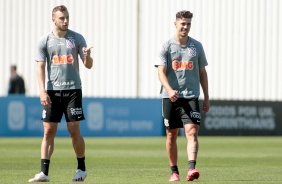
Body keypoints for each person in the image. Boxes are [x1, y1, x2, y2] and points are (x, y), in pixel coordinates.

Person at [28, 5, 93, 182]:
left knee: (74, 130)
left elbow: (88, 65)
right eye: (62, 18)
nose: (65, 21)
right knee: (48, 131)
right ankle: (44, 173)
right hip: (52, 92)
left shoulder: (76, 38)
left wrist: (87, 56)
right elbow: (40, 67)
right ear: (53, 19)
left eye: (67, 18)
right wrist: (42, 91)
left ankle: (81, 169)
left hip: (73, 90)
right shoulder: (45, 40)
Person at [155, 10, 210, 182]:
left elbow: (202, 73)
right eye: (183, 24)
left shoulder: (197, 47)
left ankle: (191, 169)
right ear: (176, 24)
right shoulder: (166, 47)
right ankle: (174, 172)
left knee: (192, 131)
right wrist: (170, 89)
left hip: (191, 96)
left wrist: (206, 97)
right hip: (169, 97)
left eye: (188, 24)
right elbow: (161, 72)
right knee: (171, 135)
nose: (186, 27)